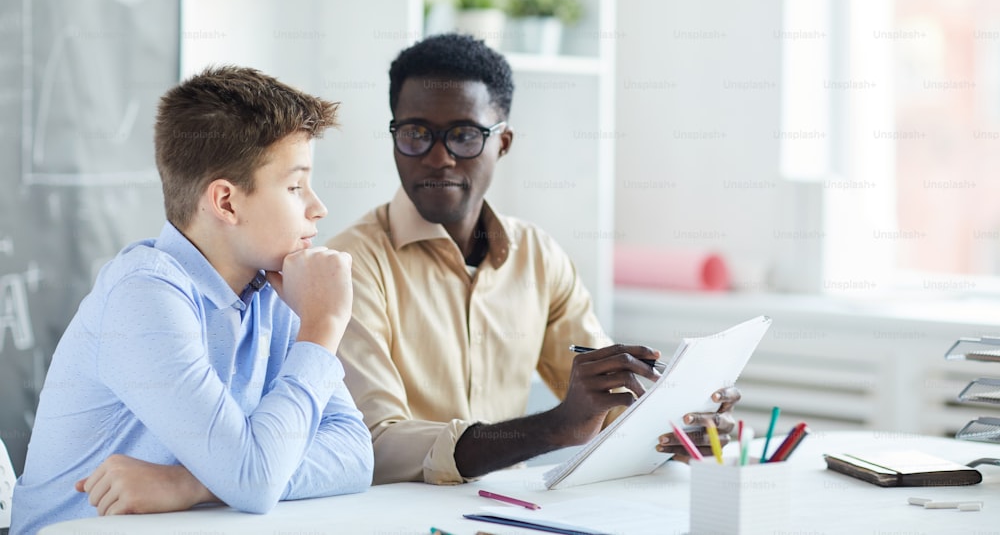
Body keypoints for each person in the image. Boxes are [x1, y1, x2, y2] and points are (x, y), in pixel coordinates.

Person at [327, 33, 739, 485]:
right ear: (394, 138)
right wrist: (555, 427)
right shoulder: (349, 266)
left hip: (510, 515)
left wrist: (675, 428)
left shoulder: (538, 257)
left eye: (464, 135)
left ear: (503, 142)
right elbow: (375, 444)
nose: (438, 157)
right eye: (416, 134)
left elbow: (609, 402)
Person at [12, 66, 374, 534]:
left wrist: (191, 484)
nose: (317, 207)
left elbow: (353, 453)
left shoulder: (276, 287)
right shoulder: (143, 294)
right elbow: (255, 479)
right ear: (225, 202)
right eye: (295, 186)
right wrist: (322, 327)